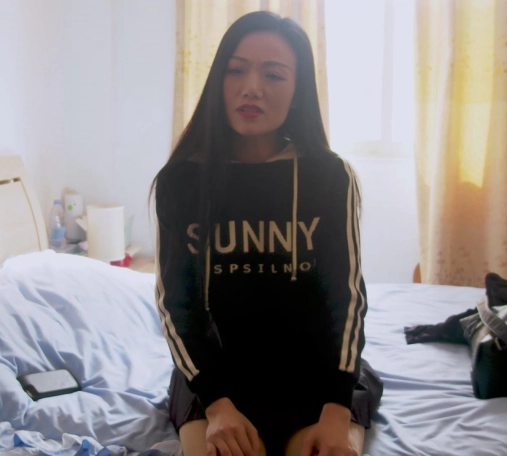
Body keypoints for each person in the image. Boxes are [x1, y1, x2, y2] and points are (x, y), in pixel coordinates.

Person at [152, 11, 382, 456]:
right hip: (216, 381)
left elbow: (347, 299)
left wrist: (337, 409)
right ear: (218, 82)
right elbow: (176, 305)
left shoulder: (330, 177)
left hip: (318, 377)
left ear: (298, 91)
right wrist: (217, 405)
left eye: (274, 75)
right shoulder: (180, 181)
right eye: (235, 70)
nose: (252, 87)